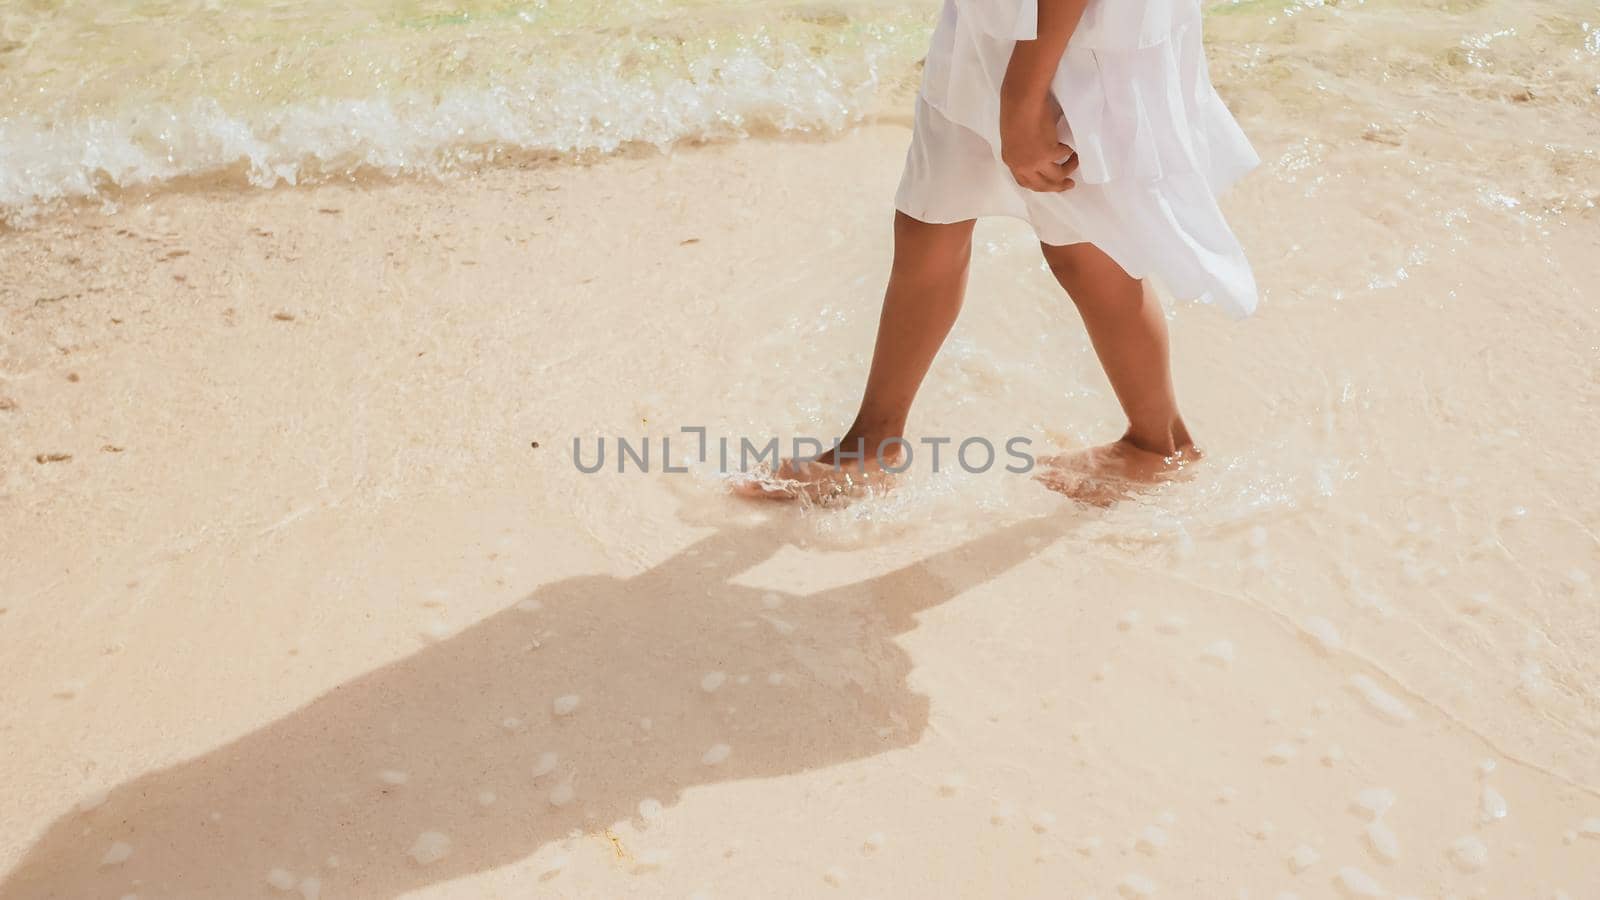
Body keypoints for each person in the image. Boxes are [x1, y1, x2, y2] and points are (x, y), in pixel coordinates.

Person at [738, 0, 1259, 504]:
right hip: (987, 22)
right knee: (930, 217)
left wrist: (1023, 95)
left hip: (1064, 43)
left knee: (1084, 248)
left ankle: (1160, 444)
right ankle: (873, 443)